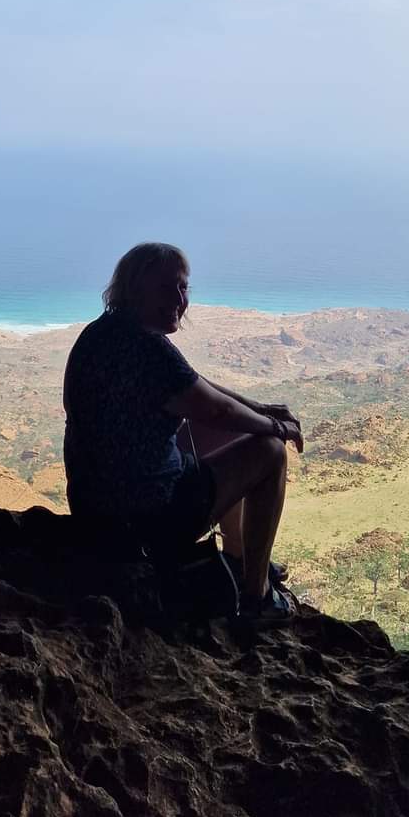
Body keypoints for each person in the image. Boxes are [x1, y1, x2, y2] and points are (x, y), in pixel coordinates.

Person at [63, 241, 303, 625]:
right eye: (165, 288)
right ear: (134, 290)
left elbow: (197, 390)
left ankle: (240, 558)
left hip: (97, 510)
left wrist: (259, 409)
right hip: (145, 521)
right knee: (270, 453)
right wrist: (276, 428)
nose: (178, 299)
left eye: (183, 287)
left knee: (218, 430)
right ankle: (257, 598)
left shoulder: (102, 333)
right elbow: (217, 409)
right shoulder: (147, 349)